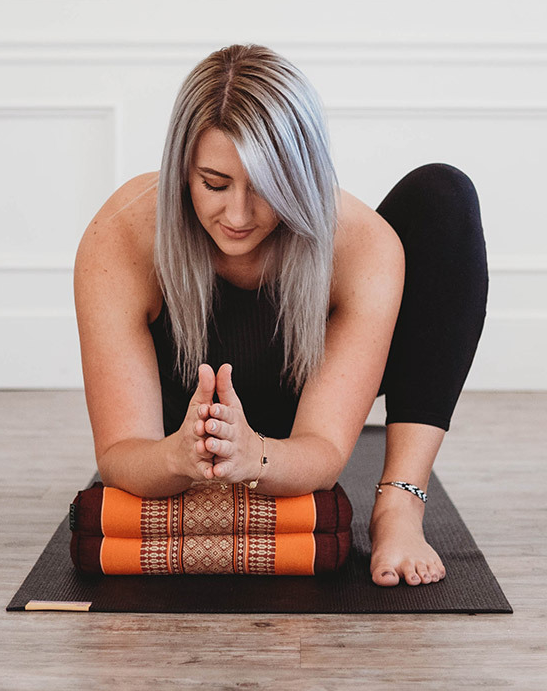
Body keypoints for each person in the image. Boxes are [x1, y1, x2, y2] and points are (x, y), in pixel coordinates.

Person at [74, 44, 487, 587]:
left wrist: (258, 456)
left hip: (306, 397)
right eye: (214, 185)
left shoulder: (359, 244)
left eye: (267, 189)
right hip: (188, 416)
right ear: (182, 170)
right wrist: (176, 457)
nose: (239, 215)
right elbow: (120, 454)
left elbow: (324, 451)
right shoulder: (124, 232)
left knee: (443, 196)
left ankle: (399, 506)